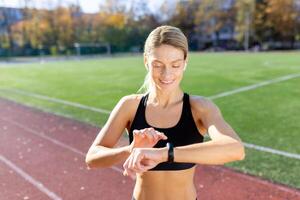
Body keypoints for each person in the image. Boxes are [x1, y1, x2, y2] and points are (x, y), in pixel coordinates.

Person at [85, 25, 245, 200]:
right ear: (146, 61)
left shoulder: (200, 107)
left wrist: (164, 154)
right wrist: (132, 149)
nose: (167, 74)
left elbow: (235, 149)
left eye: (175, 65)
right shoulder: (130, 105)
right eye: (157, 65)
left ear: (185, 62)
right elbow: (92, 158)